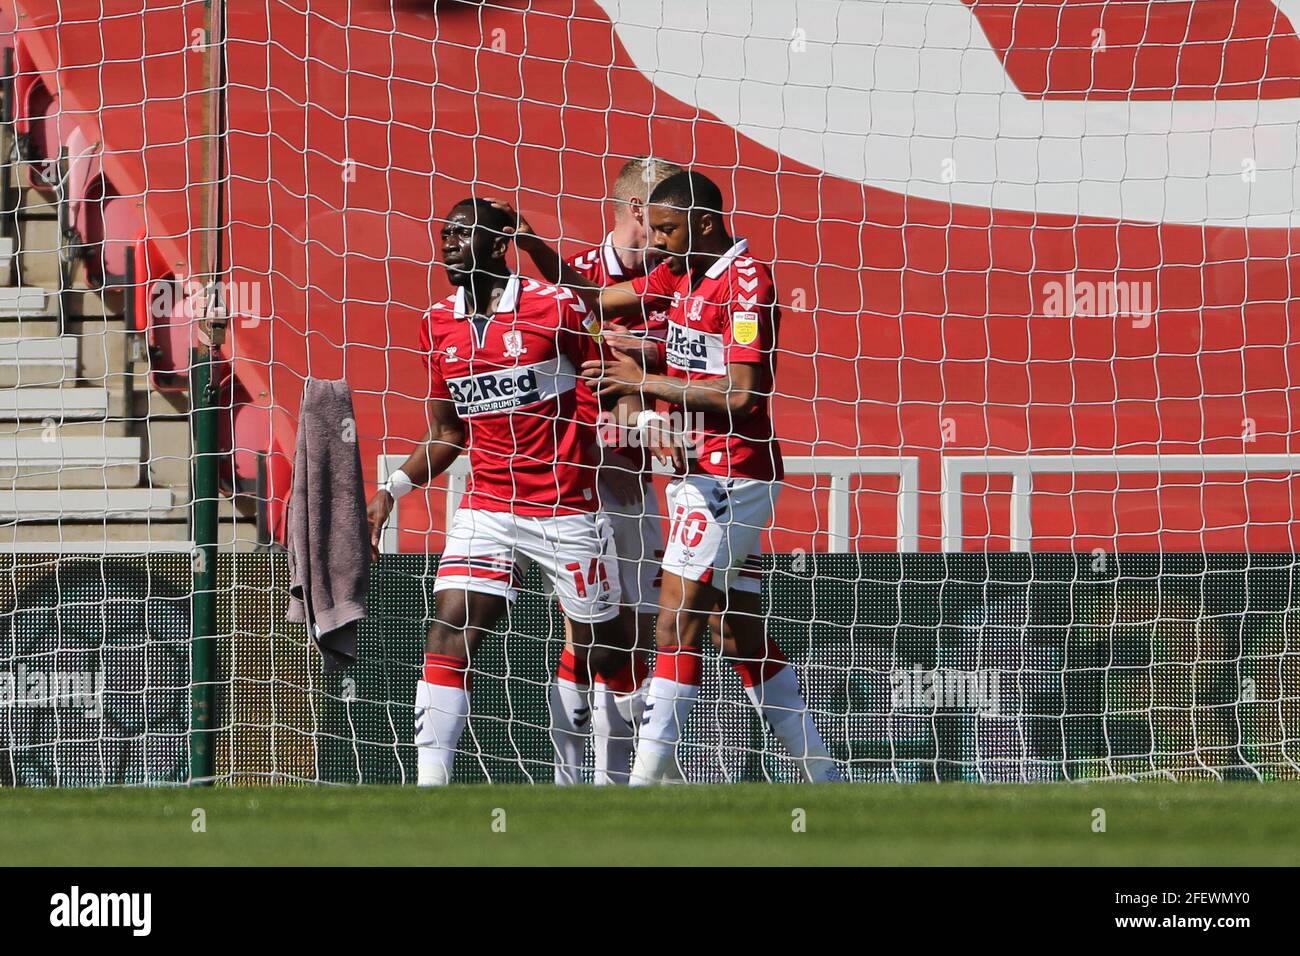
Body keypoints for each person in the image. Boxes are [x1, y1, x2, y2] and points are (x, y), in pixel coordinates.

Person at [502, 171, 841, 783]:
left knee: (672, 620)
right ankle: (824, 775)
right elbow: (594, 297)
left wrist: (643, 380)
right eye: (653, 230)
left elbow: (741, 397)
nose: (655, 243)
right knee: (736, 634)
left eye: (667, 229)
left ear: (705, 224)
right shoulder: (678, 271)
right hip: (691, 475)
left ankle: (645, 783)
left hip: (732, 476)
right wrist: (535, 248)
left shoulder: (747, 283)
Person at [366, 198, 632, 785]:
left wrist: (630, 432)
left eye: (462, 232)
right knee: (451, 629)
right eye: (443, 234)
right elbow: (446, 433)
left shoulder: (554, 305)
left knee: (601, 651)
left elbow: (612, 376)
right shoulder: (435, 321)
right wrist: (393, 488)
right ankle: (430, 792)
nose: (448, 243)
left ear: (499, 240)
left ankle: (615, 782)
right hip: (486, 505)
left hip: (565, 507)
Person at [547, 156, 683, 786]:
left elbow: (667, 369)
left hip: (643, 483)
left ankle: (622, 777)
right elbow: (576, 380)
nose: (674, 229)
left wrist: (649, 412)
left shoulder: (676, 279)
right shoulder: (573, 279)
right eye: (669, 214)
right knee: (591, 630)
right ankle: (580, 780)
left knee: (636, 634)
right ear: (640, 210)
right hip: (580, 482)